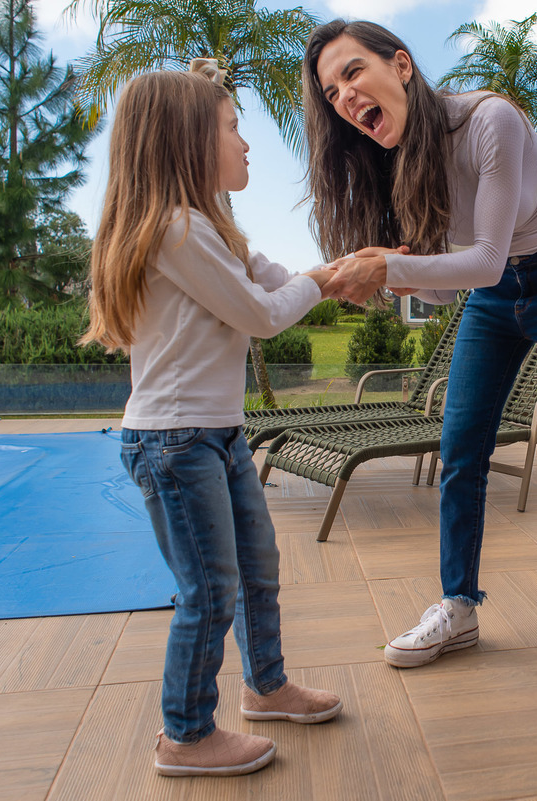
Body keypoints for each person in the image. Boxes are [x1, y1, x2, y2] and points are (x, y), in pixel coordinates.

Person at [302, 20, 537, 677]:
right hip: (495, 296)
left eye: (353, 73)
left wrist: (386, 266)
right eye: (331, 93)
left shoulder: (487, 121)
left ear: (403, 66)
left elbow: (486, 259)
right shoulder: (399, 163)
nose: (345, 98)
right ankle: (458, 605)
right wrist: (394, 272)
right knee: (459, 443)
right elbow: (449, 293)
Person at [79, 65, 343, 778]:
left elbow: (272, 275)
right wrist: (320, 282)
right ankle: (186, 733)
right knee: (210, 588)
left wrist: (340, 272)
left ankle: (267, 684)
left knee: (258, 569)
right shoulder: (173, 229)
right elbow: (261, 314)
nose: (247, 143)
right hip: (174, 441)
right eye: (232, 127)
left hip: (217, 432)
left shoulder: (212, 226)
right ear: (187, 142)